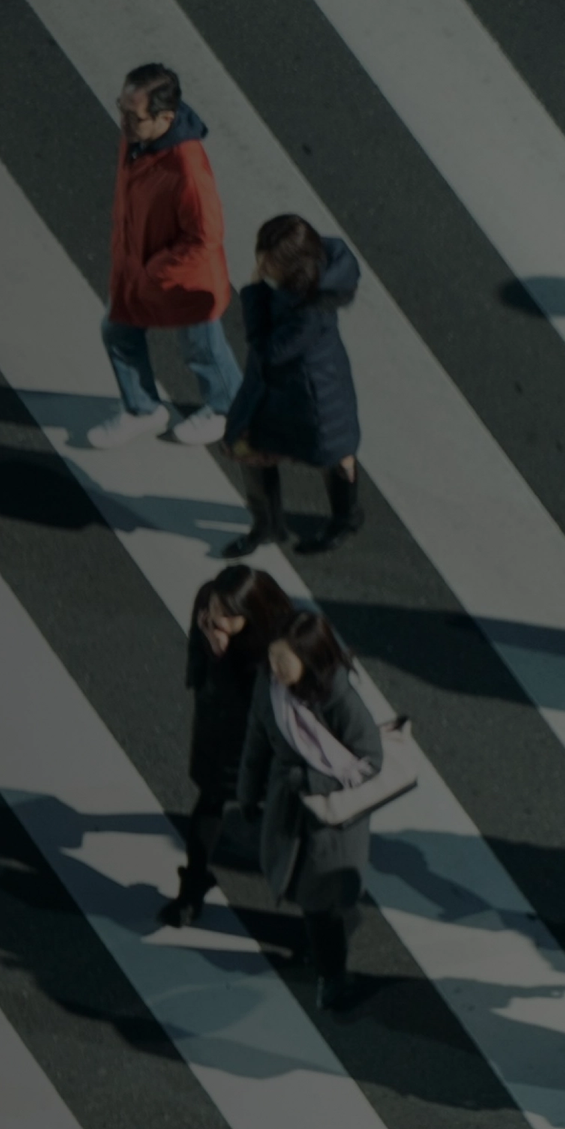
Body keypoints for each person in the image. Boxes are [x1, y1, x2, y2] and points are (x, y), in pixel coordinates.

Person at [86, 64, 242, 450]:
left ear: (166, 118)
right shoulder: (139, 139)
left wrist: (154, 271)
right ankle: (142, 408)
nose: (123, 121)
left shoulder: (187, 170)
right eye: (121, 108)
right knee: (118, 331)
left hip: (186, 280)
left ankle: (228, 410)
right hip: (141, 265)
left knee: (202, 349)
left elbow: (205, 237)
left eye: (133, 115)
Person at [236, 608, 382, 1012]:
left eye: (283, 661)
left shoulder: (339, 699)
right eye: (272, 658)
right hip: (288, 809)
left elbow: (370, 759)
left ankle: (332, 977)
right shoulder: (269, 687)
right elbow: (256, 740)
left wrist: (312, 782)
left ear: (310, 659)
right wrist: (247, 792)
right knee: (306, 891)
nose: (274, 668)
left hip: (330, 823)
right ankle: (328, 945)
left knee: (319, 899)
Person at [220, 215, 364, 557]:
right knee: (251, 447)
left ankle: (343, 519)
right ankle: (269, 525)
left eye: (268, 261)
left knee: (334, 455)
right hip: (291, 389)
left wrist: (255, 292)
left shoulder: (309, 310)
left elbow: (268, 350)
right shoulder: (309, 279)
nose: (261, 264)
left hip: (312, 396)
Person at [158, 566, 292, 929]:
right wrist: (212, 656)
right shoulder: (208, 604)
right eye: (214, 609)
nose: (216, 619)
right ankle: (192, 888)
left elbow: (266, 698)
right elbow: (197, 663)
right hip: (219, 729)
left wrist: (221, 656)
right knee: (210, 803)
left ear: (250, 612)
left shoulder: (276, 631)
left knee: (282, 814)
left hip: (263, 737)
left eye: (227, 615)